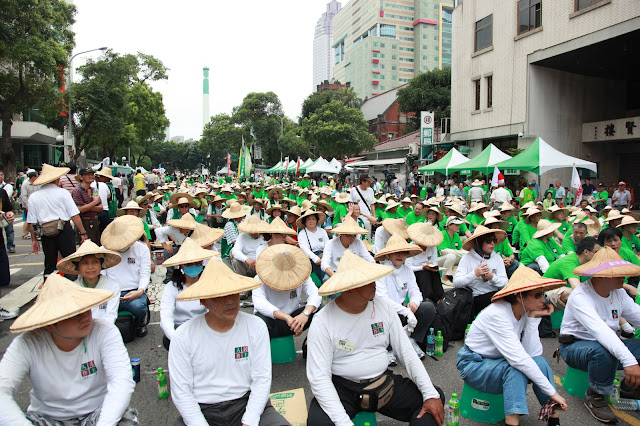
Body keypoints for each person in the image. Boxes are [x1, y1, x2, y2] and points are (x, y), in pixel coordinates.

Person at [307, 251, 445, 425]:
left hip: (382, 382)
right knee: (318, 422)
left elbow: (407, 353)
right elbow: (319, 377)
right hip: (342, 387)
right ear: (348, 289)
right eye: (366, 281)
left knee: (435, 398)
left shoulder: (383, 307)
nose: (374, 284)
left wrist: (429, 394)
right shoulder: (323, 321)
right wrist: (343, 422)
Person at [0, 274, 138, 424]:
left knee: (125, 417)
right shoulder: (27, 343)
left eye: (85, 308)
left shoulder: (104, 331)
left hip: (95, 412)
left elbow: (122, 380)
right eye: (74, 314)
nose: (85, 317)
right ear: (50, 324)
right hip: (48, 418)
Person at [168, 259, 290, 426]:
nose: (230, 301)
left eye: (234, 293)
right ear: (203, 300)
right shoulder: (183, 335)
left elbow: (262, 378)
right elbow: (181, 391)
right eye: (220, 296)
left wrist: (250, 420)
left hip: (245, 402)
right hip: (203, 408)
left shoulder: (256, 326)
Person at [457, 266, 568, 426]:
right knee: (515, 368)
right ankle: (512, 421)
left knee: (540, 362)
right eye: (538, 295)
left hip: (499, 362)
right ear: (519, 296)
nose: (543, 300)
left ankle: (553, 418)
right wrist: (552, 393)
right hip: (474, 364)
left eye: (543, 294)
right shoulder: (498, 314)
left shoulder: (524, 311)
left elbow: (532, 353)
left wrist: (533, 318)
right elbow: (519, 359)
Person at [559, 247, 640, 423]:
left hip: (605, 345)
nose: (623, 277)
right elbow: (601, 331)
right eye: (617, 273)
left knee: (615, 348)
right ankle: (596, 395)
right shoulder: (581, 296)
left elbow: (637, 315)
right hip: (575, 347)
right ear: (602, 276)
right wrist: (629, 361)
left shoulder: (618, 293)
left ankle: (630, 386)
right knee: (603, 351)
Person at [375, 234, 438, 360]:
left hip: (402, 310)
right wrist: (406, 311)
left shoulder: (407, 270)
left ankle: (411, 340)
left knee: (428, 308)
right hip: (385, 311)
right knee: (389, 315)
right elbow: (383, 299)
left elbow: (416, 292)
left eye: (403, 253)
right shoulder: (381, 270)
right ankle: (389, 347)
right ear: (388, 255)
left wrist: (414, 302)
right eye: (396, 253)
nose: (400, 256)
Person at [27, 164, 89, 279]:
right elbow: (74, 215)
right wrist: (82, 232)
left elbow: (31, 222)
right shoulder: (63, 193)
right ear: (56, 179)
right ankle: (71, 282)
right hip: (63, 230)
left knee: (50, 263)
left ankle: (49, 284)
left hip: (45, 232)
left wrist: (34, 240)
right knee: (70, 261)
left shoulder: (34, 197)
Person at [253, 244, 321, 340]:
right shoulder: (260, 278)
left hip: (294, 320)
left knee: (319, 310)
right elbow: (260, 303)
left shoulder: (301, 274)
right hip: (273, 320)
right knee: (260, 321)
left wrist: (305, 314)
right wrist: (286, 317)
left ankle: (313, 345)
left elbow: (315, 293)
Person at [100, 215, 151, 337]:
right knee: (99, 310)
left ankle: (139, 325)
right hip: (111, 293)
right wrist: (109, 295)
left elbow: (145, 273)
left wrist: (140, 291)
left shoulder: (141, 248)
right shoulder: (102, 251)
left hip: (134, 292)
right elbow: (102, 274)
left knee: (138, 307)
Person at [160, 238, 214, 350]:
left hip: (203, 326)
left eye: (197, 263)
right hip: (181, 328)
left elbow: (214, 310)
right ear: (182, 265)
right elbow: (166, 315)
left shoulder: (208, 283)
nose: (194, 265)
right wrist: (175, 338)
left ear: (202, 263)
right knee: (168, 341)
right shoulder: (172, 287)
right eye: (189, 264)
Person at [453, 225, 509, 314]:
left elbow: (505, 283)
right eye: (488, 241)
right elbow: (457, 283)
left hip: (493, 295)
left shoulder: (497, 258)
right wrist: (475, 274)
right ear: (479, 242)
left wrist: (492, 277)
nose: (492, 244)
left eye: (494, 240)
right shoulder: (467, 258)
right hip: (474, 298)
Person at [542, 237, 599, 311]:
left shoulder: (585, 262)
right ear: (586, 252)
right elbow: (577, 288)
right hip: (545, 295)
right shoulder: (569, 263)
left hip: (561, 292)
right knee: (575, 293)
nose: (598, 255)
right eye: (596, 252)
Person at [72, 167, 103, 244]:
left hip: (95, 221)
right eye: (87, 174)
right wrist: (94, 203)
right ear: (81, 177)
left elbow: (101, 208)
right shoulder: (77, 191)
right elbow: (79, 209)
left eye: (92, 174)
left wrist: (88, 207)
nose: (91, 176)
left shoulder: (93, 190)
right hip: (84, 222)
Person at [297, 209, 329, 282]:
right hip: (311, 257)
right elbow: (304, 248)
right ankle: (326, 281)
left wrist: (326, 256)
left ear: (316, 221)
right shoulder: (302, 233)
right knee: (322, 270)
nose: (311, 221)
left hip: (324, 255)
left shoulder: (322, 231)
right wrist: (315, 258)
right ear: (305, 222)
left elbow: (328, 245)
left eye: (313, 219)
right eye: (309, 219)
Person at [437, 216, 468, 286]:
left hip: (452, 257)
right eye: (456, 225)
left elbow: (460, 248)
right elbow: (443, 251)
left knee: (466, 256)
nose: (458, 227)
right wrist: (459, 252)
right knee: (451, 256)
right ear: (449, 226)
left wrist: (465, 253)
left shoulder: (456, 235)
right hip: (440, 260)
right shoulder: (442, 234)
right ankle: (444, 278)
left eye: (458, 225)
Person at [19, 169, 38, 240]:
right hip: (28, 205)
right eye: (36, 176)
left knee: (35, 220)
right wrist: (27, 205)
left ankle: (34, 233)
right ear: (33, 177)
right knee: (28, 220)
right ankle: (25, 233)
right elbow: (24, 195)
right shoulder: (25, 184)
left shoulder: (36, 183)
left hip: (35, 204)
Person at [0, 170, 15, 253]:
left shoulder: (6, 187)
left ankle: (11, 245)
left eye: (1, 174)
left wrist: (9, 213)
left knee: (9, 230)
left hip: (4, 211)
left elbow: (8, 195)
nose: (0, 176)